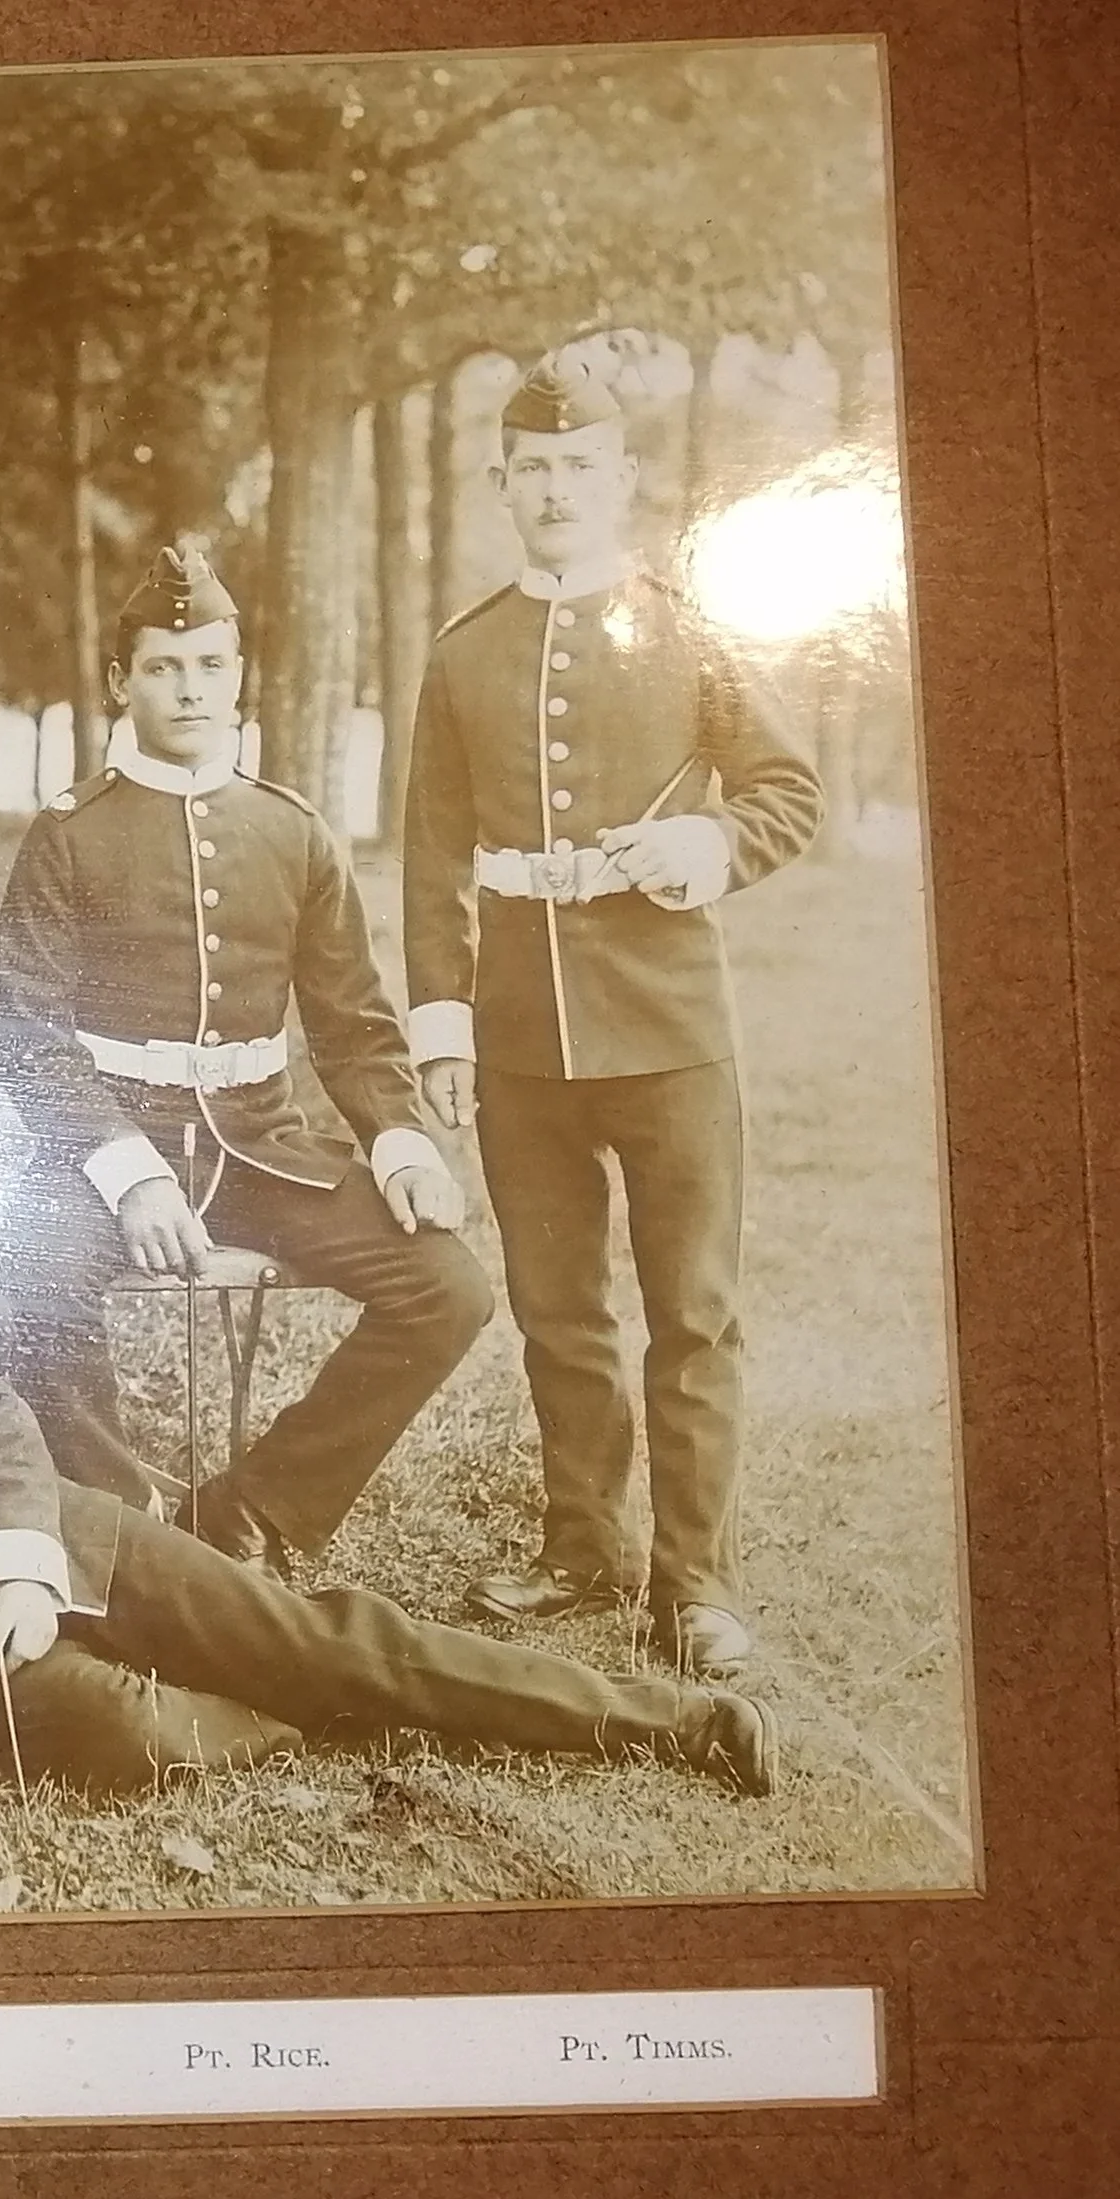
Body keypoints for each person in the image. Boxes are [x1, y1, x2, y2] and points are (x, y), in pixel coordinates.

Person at [0, 1101, 778, 1799]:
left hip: (53, 1534)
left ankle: (672, 1723)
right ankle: (321, 1707)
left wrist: (21, 1558)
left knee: (324, 1642)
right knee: (141, 1742)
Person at [402, 353, 825, 1677]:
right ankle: (580, 1544)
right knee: (558, 1309)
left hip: (672, 1030)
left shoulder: (688, 629)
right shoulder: (464, 650)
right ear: (501, 483)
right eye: (532, 469)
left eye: (579, 467)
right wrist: (443, 1023)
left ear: (620, 478)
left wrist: (707, 846)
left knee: (691, 1316)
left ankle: (693, 1582)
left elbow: (786, 788)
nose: (556, 490)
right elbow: (430, 854)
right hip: (523, 1040)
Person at [0, 545, 492, 1558]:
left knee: (449, 1290)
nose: (190, 689)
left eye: (210, 666)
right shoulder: (68, 835)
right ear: (121, 682)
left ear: (238, 675)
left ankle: (253, 1507)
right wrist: (129, 1175)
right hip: (105, 1157)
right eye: (164, 667)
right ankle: (124, 1530)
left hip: (261, 1149)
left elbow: (352, 1022)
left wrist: (398, 1142)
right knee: (27, 1274)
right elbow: (26, 1037)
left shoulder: (291, 831)